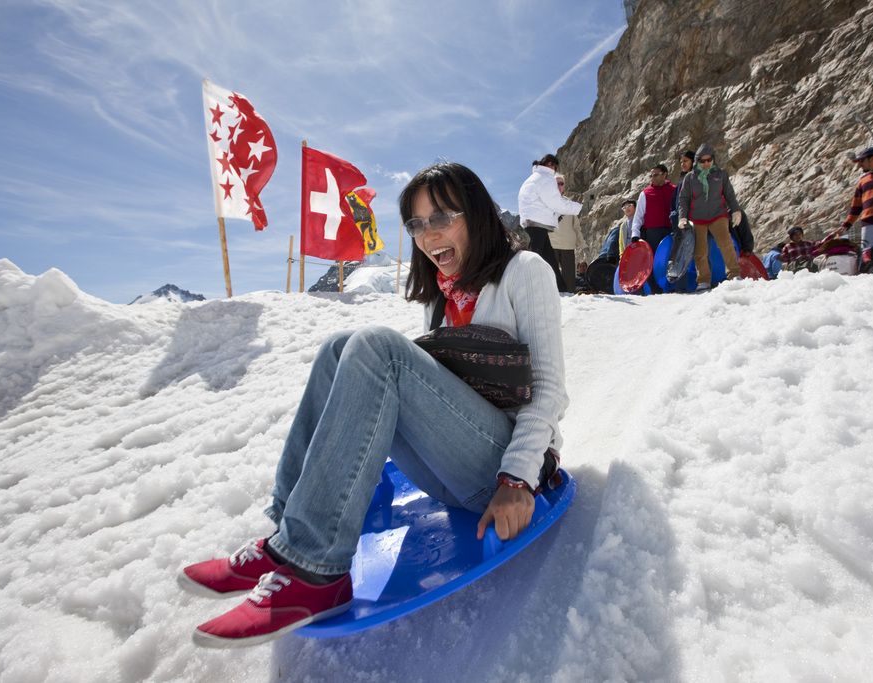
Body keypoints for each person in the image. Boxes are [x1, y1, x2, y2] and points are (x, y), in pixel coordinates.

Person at [179, 162, 569, 648]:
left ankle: (317, 571)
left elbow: (549, 390)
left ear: (477, 215)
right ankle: (288, 536)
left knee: (377, 346)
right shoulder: (442, 297)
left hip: (503, 474)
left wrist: (517, 479)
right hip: (452, 469)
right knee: (339, 347)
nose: (429, 235)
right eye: (417, 224)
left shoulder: (524, 271)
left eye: (443, 217)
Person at [676, 143, 741, 290]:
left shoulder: (721, 174)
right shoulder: (690, 178)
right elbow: (684, 199)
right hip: (697, 218)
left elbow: (729, 194)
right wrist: (682, 217)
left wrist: (736, 210)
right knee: (700, 251)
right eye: (702, 161)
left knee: (726, 244)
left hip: (718, 214)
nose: (706, 163)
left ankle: (734, 274)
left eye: (709, 160)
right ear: (697, 161)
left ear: (713, 159)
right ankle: (703, 280)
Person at [517, 154, 583, 291]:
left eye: (554, 165)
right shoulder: (546, 178)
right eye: (550, 163)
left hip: (533, 220)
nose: (552, 167)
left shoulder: (535, 177)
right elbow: (555, 203)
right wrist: (578, 207)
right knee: (534, 256)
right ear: (544, 163)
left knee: (549, 258)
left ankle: (561, 287)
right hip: (537, 221)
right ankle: (523, 286)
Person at [549, 174, 587, 292]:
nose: (559, 186)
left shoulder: (570, 204)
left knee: (569, 283)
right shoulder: (545, 204)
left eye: (561, 183)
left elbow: (576, 227)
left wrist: (583, 245)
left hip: (568, 247)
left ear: (564, 187)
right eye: (556, 183)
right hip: (551, 246)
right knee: (551, 281)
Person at [631, 164, 677, 253]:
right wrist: (635, 234)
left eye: (655, 175)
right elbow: (638, 216)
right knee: (653, 259)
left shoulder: (674, 190)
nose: (652, 178)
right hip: (653, 234)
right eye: (651, 176)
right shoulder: (645, 193)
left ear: (664, 175)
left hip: (672, 231)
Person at [669, 150, 695, 228]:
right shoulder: (682, 179)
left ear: (693, 161)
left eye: (685, 161)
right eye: (681, 162)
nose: (682, 164)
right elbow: (676, 199)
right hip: (681, 219)